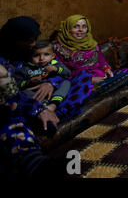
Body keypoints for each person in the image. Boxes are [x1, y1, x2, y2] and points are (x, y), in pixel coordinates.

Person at [0, 16, 75, 177]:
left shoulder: (22, 53)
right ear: (14, 39)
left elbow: (64, 73)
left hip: (37, 98)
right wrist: (37, 105)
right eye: (28, 40)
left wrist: (51, 83)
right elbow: (15, 91)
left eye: (34, 39)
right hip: (18, 105)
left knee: (77, 81)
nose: (33, 44)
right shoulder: (14, 61)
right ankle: (35, 163)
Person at [52, 14, 128, 99]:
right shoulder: (59, 48)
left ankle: (106, 87)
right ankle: (100, 90)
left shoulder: (91, 43)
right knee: (84, 92)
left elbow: (101, 60)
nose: (80, 30)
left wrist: (107, 70)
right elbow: (63, 73)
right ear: (68, 29)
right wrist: (89, 80)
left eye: (84, 26)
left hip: (101, 77)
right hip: (81, 82)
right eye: (76, 27)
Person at [13, 39, 72, 112]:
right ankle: (42, 104)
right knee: (24, 92)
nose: (41, 58)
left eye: (46, 54)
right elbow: (16, 83)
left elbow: (68, 73)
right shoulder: (25, 69)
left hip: (53, 91)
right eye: (36, 55)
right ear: (30, 57)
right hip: (35, 93)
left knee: (66, 83)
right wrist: (28, 82)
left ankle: (54, 103)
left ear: (53, 56)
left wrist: (56, 69)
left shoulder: (54, 64)